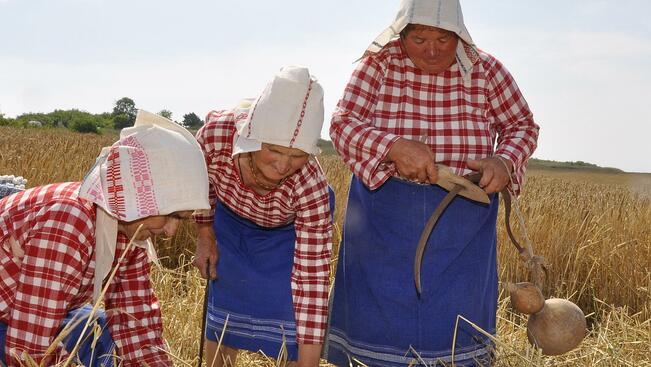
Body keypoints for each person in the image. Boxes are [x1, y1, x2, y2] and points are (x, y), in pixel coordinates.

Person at [324, 1, 540, 366]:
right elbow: (343, 124)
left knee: (457, 322)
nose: (432, 49)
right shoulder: (378, 64)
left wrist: (503, 161)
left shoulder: (486, 69)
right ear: (403, 33)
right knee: (377, 319)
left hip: (464, 217)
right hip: (383, 215)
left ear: (459, 35)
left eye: (443, 38)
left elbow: (522, 126)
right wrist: (392, 147)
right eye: (419, 38)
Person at [0, 110, 210, 366]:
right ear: (139, 196)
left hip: (27, 315)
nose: (170, 231)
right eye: (171, 216)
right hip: (12, 320)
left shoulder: (131, 230)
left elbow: (137, 326)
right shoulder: (70, 220)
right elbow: (27, 348)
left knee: (103, 329)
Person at [193, 66, 334, 367]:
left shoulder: (312, 187)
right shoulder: (218, 135)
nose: (284, 165)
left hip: (285, 234)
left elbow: (312, 282)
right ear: (254, 138)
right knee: (225, 313)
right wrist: (205, 233)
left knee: (290, 317)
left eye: (297, 156)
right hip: (230, 222)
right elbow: (198, 180)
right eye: (274, 151)